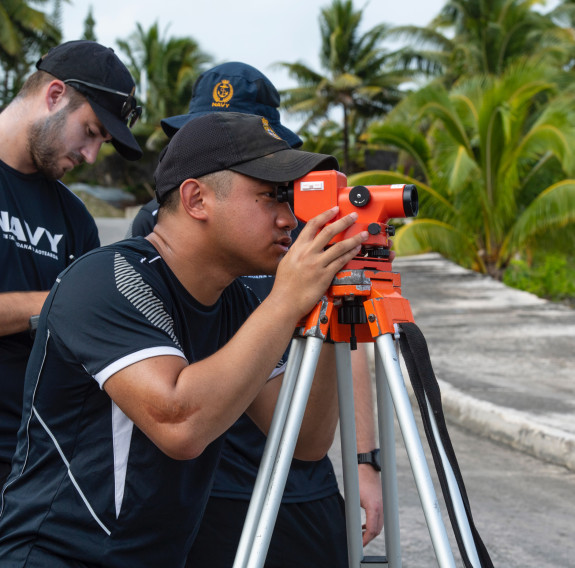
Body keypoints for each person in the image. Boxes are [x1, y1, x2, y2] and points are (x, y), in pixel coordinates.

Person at [0, 111, 368, 567]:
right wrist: (287, 301)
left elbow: (305, 441)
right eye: (272, 196)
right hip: (59, 556)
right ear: (196, 199)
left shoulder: (234, 304)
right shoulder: (108, 279)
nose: (288, 218)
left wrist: (329, 311)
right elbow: (180, 424)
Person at [129, 62, 383, 566]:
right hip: (208, 475)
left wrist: (365, 460)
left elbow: (347, 338)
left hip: (297, 470)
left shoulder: (306, 223)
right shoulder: (157, 229)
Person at [0, 40, 142, 485]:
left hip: (34, 465)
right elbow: (79, 312)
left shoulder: (75, 217)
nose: (90, 155)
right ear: (55, 94)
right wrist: (64, 305)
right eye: (91, 130)